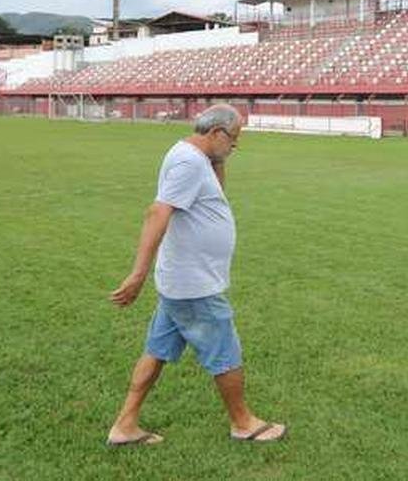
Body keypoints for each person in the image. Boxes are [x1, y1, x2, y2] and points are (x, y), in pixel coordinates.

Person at [106, 104, 287, 446]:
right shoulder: (189, 162)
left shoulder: (198, 158)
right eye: (233, 140)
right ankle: (243, 422)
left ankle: (125, 424)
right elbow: (157, 212)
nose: (235, 147)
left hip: (184, 282)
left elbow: (218, 194)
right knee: (224, 351)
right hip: (193, 285)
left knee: (156, 351)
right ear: (216, 133)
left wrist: (220, 159)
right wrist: (137, 274)